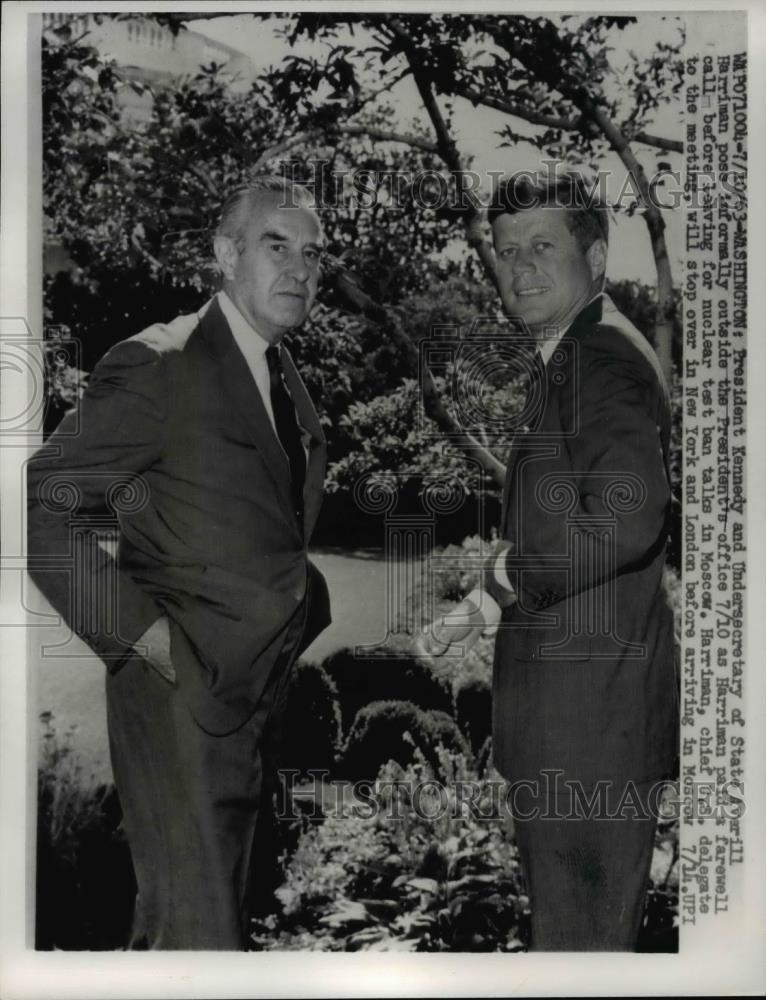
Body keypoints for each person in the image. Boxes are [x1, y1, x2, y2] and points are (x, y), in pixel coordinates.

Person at [27, 176, 331, 950]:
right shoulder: (160, 364)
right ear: (226, 254)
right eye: (276, 246)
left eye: (312, 254)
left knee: (197, 933)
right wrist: (139, 635)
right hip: (180, 703)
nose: (299, 268)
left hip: (252, 705)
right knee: (196, 939)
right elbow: (38, 503)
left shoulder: (280, 375)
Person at [421, 171, 677, 950]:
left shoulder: (598, 360)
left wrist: (498, 584)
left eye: (542, 246)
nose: (520, 267)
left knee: (579, 954)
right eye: (505, 252)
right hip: (582, 726)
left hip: (589, 735)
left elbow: (627, 522)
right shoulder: (573, 352)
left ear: (596, 257)